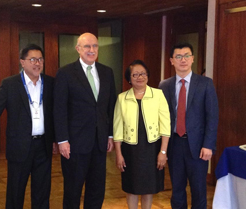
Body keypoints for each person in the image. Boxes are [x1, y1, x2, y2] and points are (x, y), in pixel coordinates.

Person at [0, 44, 55, 209]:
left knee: (42, 193)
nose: (37, 63)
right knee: (15, 194)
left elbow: (57, 113)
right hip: (19, 148)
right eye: (33, 59)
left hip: (43, 146)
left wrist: (58, 139)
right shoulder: (10, 84)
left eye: (40, 59)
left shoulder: (50, 83)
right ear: (22, 62)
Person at [54, 32, 116, 209]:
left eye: (95, 46)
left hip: (99, 142)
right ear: (78, 49)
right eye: (87, 46)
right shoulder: (65, 73)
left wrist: (110, 134)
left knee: (97, 190)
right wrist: (62, 140)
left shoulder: (107, 72)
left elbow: (110, 106)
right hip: (74, 143)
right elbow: (59, 109)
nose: (91, 50)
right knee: (73, 190)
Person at [159, 43, 219, 209]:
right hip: (174, 144)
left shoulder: (205, 83)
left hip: (198, 146)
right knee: (177, 190)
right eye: (178, 56)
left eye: (186, 55)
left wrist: (208, 145)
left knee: (198, 190)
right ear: (172, 60)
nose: (183, 59)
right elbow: (161, 118)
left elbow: (212, 116)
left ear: (192, 59)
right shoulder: (164, 86)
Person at [113, 60, 171, 209]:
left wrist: (163, 152)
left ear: (148, 75)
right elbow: (117, 128)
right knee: (131, 186)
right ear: (129, 78)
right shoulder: (122, 98)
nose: (140, 77)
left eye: (143, 73)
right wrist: (118, 154)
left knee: (148, 187)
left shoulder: (158, 95)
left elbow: (165, 126)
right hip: (130, 149)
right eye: (135, 74)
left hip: (152, 148)